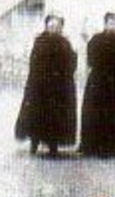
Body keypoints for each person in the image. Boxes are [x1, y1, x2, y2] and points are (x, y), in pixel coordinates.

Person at [14, 14, 78, 157]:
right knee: (37, 116)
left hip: (58, 88)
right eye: (50, 26)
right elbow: (33, 63)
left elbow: (71, 65)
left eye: (56, 27)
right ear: (46, 26)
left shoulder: (65, 43)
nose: (53, 29)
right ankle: (34, 143)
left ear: (60, 28)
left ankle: (53, 145)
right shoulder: (40, 42)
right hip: (40, 86)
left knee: (55, 118)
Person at [79, 12, 115, 158]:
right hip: (99, 82)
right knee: (96, 112)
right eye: (109, 22)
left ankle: (113, 146)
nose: (111, 25)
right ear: (104, 23)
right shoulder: (97, 39)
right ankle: (92, 145)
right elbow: (90, 59)